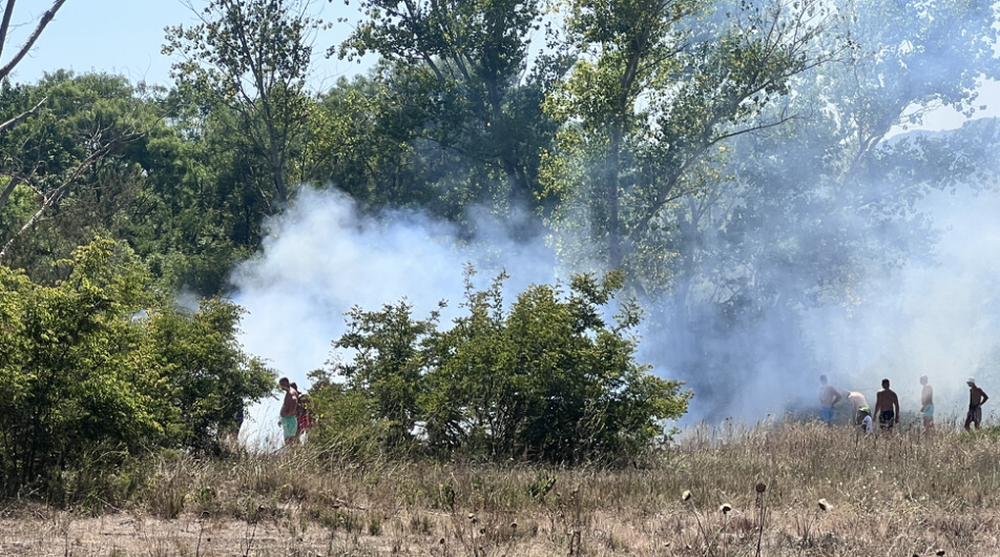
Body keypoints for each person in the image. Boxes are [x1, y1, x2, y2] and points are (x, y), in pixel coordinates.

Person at [278, 377, 299, 446]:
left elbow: (294, 400)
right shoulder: (289, 392)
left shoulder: (291, 392)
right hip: (287, 419)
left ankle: (293, 455)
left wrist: (289, 414)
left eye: (281, 385)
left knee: (290, 440)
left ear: (285, 383)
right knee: (289, 440)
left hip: (289, 420)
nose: (281, 387)